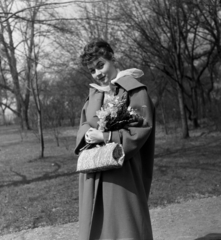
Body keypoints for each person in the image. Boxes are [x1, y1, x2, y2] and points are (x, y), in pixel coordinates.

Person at [75, 38, 155, 240]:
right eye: (92, 70)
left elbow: (141, 129)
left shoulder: (134, 89)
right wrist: (87, 134)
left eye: (100, 65)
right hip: (93, 173)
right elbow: (84, 123)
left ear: (111, 58)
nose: (97, 73)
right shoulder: (93, 94)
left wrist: (105, 135)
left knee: (125, 227)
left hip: (122, 173)